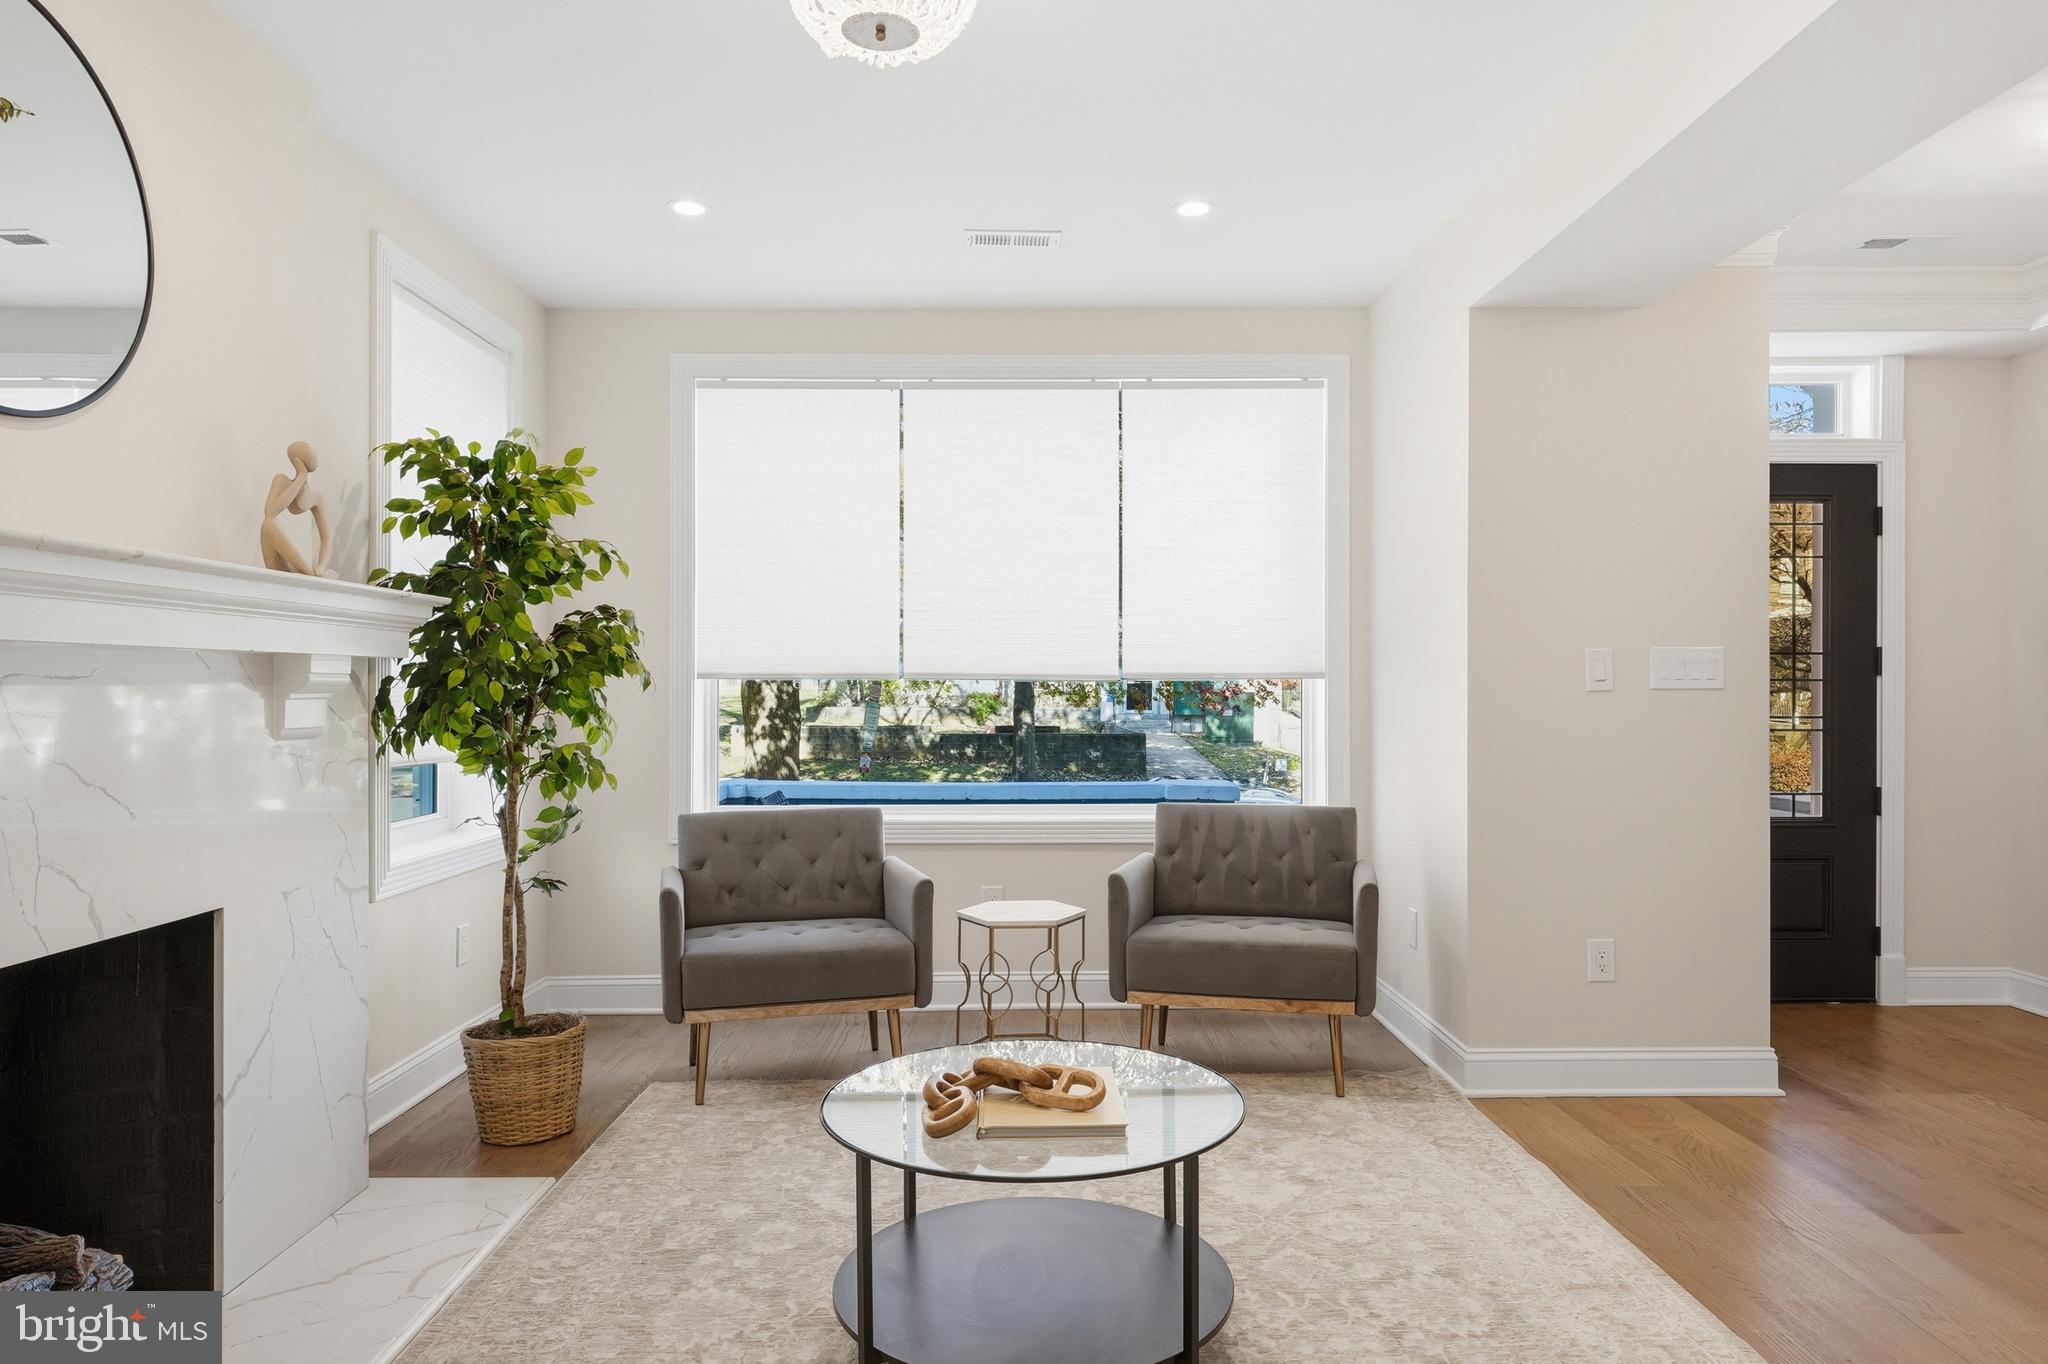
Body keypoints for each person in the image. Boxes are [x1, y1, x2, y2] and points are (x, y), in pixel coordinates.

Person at [260, 440, 336, 577]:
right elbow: (270, 513)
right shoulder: (281, 481)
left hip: (298, 571)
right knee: (268, 525)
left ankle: (312, 574)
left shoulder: (317, 497)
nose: (315, 457)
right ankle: (310, 575)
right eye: (307, 450)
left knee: (326, 574)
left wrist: (321, 566)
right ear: (296, 459)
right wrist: (301, 477)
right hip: (279, 565)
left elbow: (326, 538)